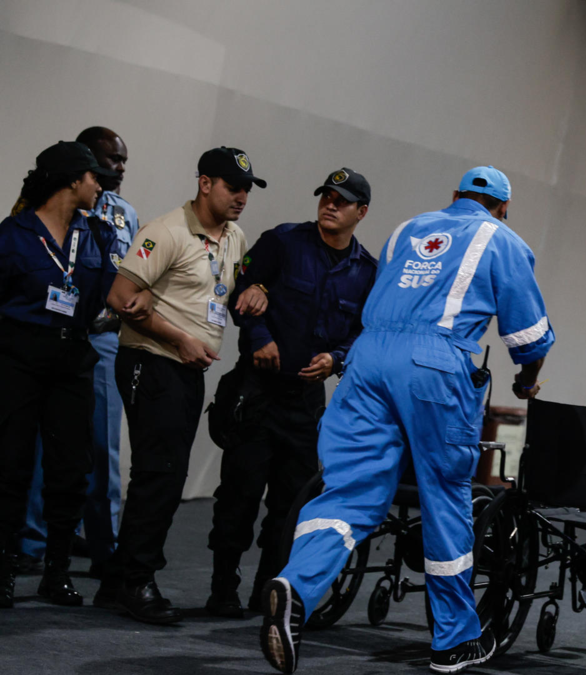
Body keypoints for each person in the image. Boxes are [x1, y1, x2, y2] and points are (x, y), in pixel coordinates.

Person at [260, 166, 554, 674]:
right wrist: (527, 382)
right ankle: (454, 640)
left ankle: (297, 586)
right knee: (445, 500)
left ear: (455, 196)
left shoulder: (408, 229)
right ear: (502, 207)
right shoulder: (502, 240)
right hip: (435, 366)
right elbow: (529, 338)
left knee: (348, 491)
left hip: (367, 359)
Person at [95, 147, 263, 624]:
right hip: (152, 361)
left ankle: (116, 580)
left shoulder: (234, 237)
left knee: (162, 472)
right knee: (161, 475)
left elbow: (230, 291)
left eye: (247, 190)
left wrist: (260, 289)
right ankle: (136, 580)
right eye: (233, 187)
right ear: (205, 183)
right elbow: (120, 296)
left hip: (187, 369)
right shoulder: (166, 231)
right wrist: (181, 339)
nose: (241, 198)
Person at [205, 168, 377, 618]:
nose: (331, 204)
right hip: (257, 393)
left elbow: (365, 333)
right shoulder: (282, 242)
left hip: (305, 404)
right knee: (238, 498)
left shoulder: (367, 272)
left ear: (361, 211)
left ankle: (268, 592)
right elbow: (242, 291)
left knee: (290, 507)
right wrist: (259, 335)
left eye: (342, 200)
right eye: (326, 196)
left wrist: (338, 359)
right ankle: (222, 588)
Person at [0, 141, 122, 608]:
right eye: (94, 178)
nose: (101, 185)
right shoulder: (13, 233)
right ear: (73, 180)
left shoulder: (98, 235)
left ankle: (56, 573)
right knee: (10, 467)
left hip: (73, 357)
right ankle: (6, 569)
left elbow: (111, 291)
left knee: (71, 470)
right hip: (18, 358)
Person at [19, 127, 139, 578]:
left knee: (101, 445)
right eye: (113, 159)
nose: (121, 168)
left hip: (103, 336)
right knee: (38, 442)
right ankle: (32, 539)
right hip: (54, 331)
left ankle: (104, 545)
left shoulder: (125, 213)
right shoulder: (53, 203)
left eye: (124, 161)